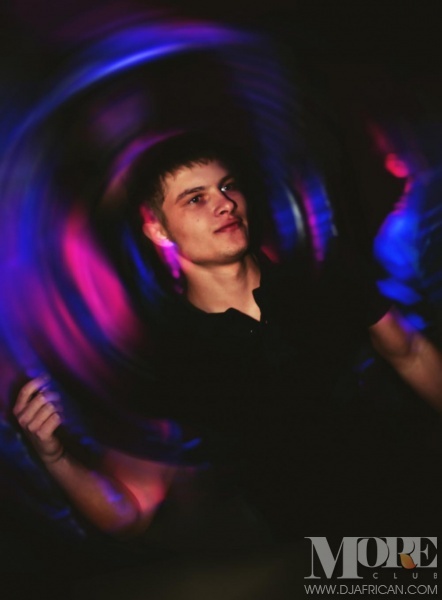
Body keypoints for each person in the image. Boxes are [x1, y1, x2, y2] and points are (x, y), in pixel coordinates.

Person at [13, 132, 442, 544]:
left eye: (228, 186)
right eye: (196, 198)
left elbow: (409, 352)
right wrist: (54, 456)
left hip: (420, 500)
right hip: (322, 556)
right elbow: (127, 513)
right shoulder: (169, 358)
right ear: (158, 230)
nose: (225, 203)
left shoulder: (323, 277)